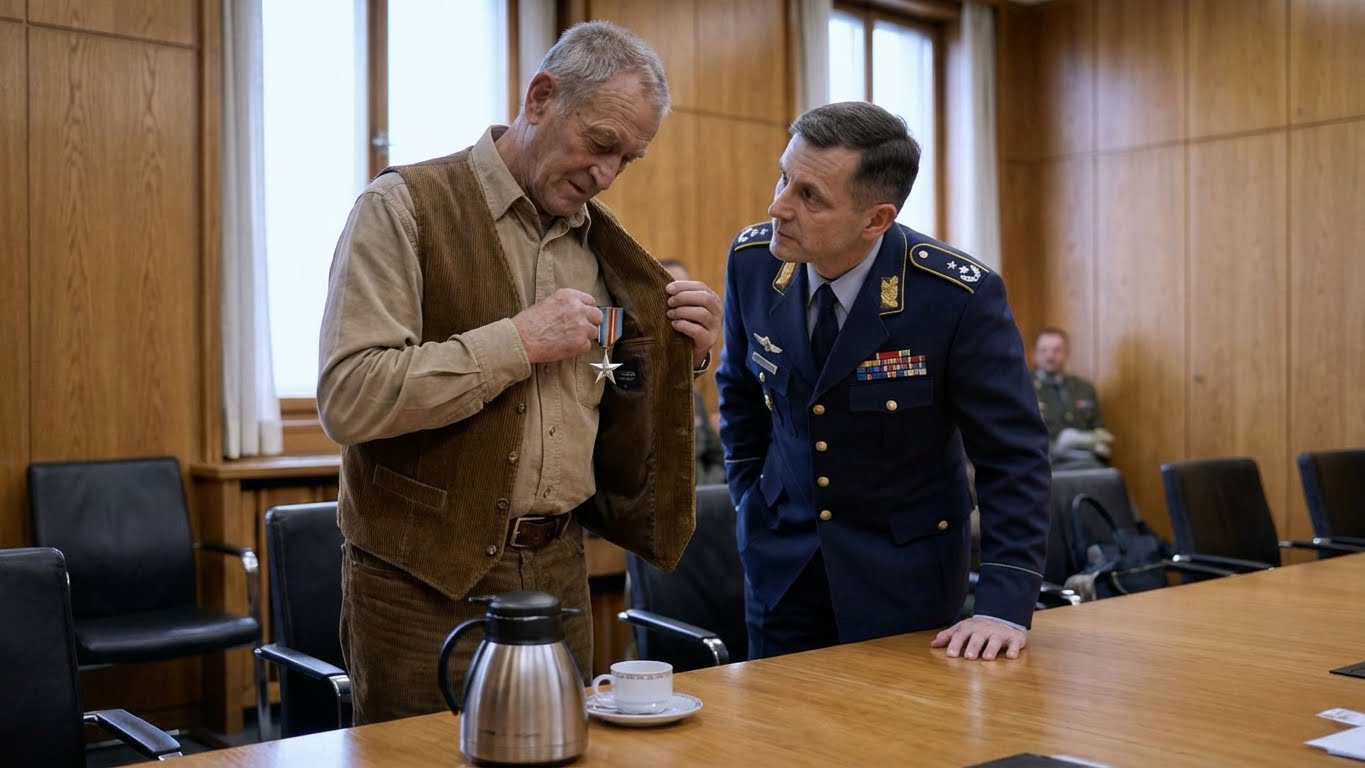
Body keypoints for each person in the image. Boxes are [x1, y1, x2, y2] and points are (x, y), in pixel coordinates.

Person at [317, 20, 722, 725]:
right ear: (540, 98)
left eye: (626, 159)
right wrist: (518, 342)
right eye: (600, 143)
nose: (606, 175)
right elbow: (350, 396)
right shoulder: (402, 206)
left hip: (558, 569)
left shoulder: (603, 247)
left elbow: (605, 390)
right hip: (418, 581)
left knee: (560, 753)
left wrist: (683, 358)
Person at [716, 101, 1049, 663]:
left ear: (875, 220)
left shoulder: (954, 296)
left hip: (905, 581)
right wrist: (750, 503)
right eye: (783, 177)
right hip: (781, 568)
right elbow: (740, 395)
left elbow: (1012, 455)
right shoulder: (753, 260)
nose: (778, 206)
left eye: (809, 196)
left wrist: (1003, 603)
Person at [659, 258, 725, 486]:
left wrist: (706, 492)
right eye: (671, 294)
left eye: (687, 294)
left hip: (703, 499)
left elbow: (717, 457)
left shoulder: (693, 395)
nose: (681, 305)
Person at [1032, 327, 1113, 470]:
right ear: (1035, 354)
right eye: (1043, 350)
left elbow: (1101, 433)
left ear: (1067, 354)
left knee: (1111, 478)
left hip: (1085, 463)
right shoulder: (1024, 388)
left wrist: (1086, 441)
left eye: (1057, 350)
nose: (1050, 356)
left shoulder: (1084, 388)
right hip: (1044, 465)